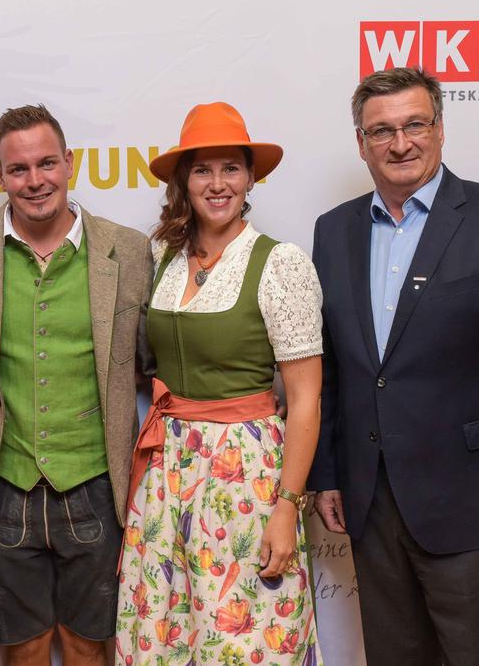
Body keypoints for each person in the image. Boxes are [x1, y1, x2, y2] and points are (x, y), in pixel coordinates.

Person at [308, 67, 479, 665]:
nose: (400, 143)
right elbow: (330, 365)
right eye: (381, 131)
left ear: (439, 129)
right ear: (361, 142)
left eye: (414, 125)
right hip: (373, 504)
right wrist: (326, 472)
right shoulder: (333, 231)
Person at [0, 104, 153, 665]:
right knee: (24, 652)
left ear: (70, 164)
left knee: (89, 649)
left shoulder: (127, 249)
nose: (35, 181)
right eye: (19, 169)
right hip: (4, 485)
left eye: (47, 163)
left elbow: (154, 359)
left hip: (97, 482)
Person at [116, 102, 324, 665]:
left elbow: (304, 400)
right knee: (164, 629)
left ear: (251, 177)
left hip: (244, 474)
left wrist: (287, 508)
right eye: (203, 170)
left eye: (231, 168)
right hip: (166, 468)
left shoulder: (281, 264)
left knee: (244, 632)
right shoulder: (161, 255)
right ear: (184, 180)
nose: (218, 183)